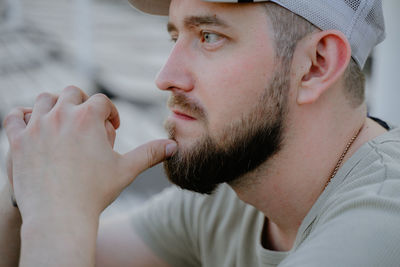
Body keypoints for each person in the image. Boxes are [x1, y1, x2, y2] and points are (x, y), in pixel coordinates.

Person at [1, 0, 399, 266]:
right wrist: (31, 186)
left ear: (316, 64)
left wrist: (58, 214)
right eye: (176, 37)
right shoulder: (239, 195)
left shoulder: (382, 224)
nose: (165, 78)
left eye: (209, 37)